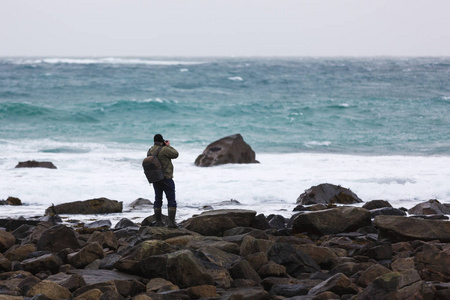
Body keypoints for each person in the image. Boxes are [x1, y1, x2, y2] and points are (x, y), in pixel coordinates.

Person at [147, 134, 179, 228]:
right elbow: (175, 154)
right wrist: (168, 146)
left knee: (158, 199)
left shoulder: (150, 150)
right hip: (166, 178)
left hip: (156, 178)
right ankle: (171, 223)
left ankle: (158, 222)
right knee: (171, 199)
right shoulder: (164, 149)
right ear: (162, 141)